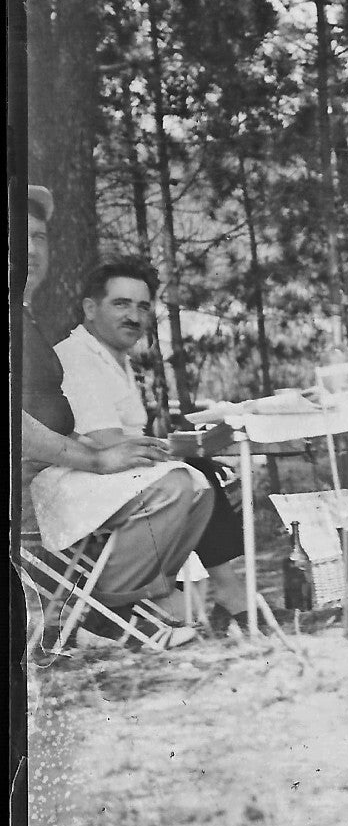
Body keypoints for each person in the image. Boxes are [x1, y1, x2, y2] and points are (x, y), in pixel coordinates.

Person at [19, 185, 213, 640]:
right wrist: (93, 458)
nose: (29, 249)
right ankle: (100, 614)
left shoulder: (23, 316)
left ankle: (112, 610)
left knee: (200, 484)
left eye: (39, 237)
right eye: (17, 234)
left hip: (53, 475)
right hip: (30, 490)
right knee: (180, 483)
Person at [55, 258, 253, 620]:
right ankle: (115, 607)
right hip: (79, 480)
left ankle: (216, 594)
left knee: (200, 471)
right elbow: (108, 443)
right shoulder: (76, 357)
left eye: (142, 306)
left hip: (111, 478)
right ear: (90, 308)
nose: (134, 316)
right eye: (121, 304)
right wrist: (179, 452)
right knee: (188, 477)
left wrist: (186, 449)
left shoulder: (115, 358)